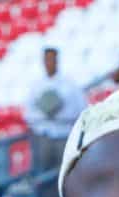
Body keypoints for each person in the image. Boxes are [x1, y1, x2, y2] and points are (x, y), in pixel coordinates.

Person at [24, 47, 87, 176]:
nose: (49, 62)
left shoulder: (69, 84)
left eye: (52, 59)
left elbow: (81, 107)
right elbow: (28, 112)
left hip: (64, 135)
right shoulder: (36, 85)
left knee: (67, 172)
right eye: (47, 59)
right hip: (44, 136)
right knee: (45, 175)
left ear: (57, 60)